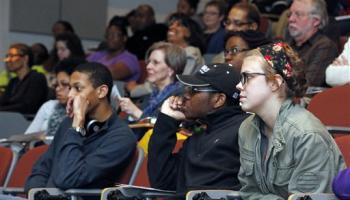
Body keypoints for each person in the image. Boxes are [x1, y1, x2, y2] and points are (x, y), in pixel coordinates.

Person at [236, 41, 345, 199]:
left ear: (275, 82)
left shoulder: (307, 135)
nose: (239, 85)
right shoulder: (247, 127)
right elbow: (247, 192)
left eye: (248, 77)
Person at [24, 62, 137, 197]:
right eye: (70, 88)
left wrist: (77, 125)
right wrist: (38, 195)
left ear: (101, 91)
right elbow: (41, 169)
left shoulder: (121, 136)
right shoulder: (68, 124)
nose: (70, 95)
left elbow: (69, 179)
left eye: (77, 88)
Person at [148, 63, 249, 197]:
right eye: (188, 89)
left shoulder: (243, 130)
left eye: (194, 90)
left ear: (219, 100)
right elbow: (162, 182)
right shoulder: (201, 131)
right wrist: (167, 120)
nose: (186, 95)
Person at [119, 42, 186, 121]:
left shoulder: (179, 98)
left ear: (171, 70)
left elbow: (162, 127)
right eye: (149, 62)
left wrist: (135, 111)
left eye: (155, 62)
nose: (148, 67)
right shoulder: (151, 96)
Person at [25, 58, 86, 135]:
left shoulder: (88, 112)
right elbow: (27, 136)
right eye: (56, 84)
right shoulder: (49, 106)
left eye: (65, 84)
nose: (57, 89)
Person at [288, 0, 338, 87]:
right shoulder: (288, 44)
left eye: (298, 14)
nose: (291, 19)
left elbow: (306, 86)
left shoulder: (325, 47)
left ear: (316, 21)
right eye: (290, 14)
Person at [0, 43, 48, 115]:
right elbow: (3, 102)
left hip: (27, 121)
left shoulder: (37, 78)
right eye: (7, 56)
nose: (7, 60)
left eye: (12, 56)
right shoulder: (13, 81)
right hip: (10, 118)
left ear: (25, 58)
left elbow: (28, 106)